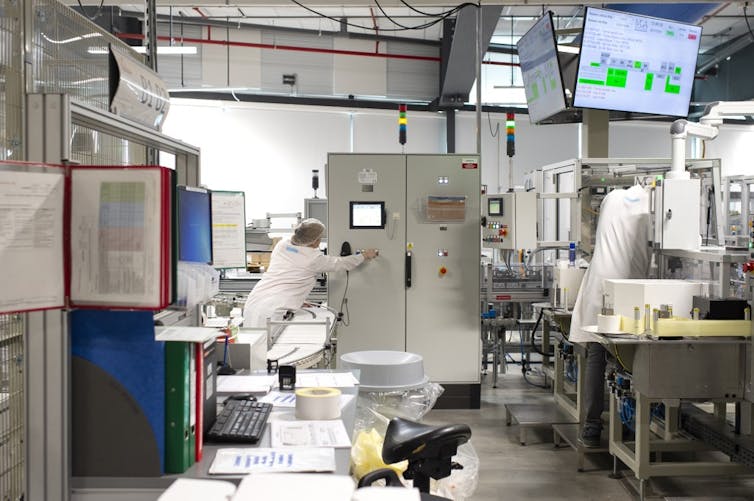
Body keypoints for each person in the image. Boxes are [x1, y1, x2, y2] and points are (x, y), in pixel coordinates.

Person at [570, 184, 651, 447]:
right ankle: (629, 426)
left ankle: (591, 428)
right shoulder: (651, 205)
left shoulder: (612, 198)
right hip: (631, 291)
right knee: (628, 361)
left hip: (601, 287)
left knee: (596, 356)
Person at [242, 218, 378, 327]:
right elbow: (341, 263)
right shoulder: (313, 259)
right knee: (266, 349)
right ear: (314, 241)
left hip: (255, 301)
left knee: (251, 345)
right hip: (274, 311)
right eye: (319, 238)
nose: (319, 241)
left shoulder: (282, 245)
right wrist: (364, 255)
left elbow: (288, 275)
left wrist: (298, 301)